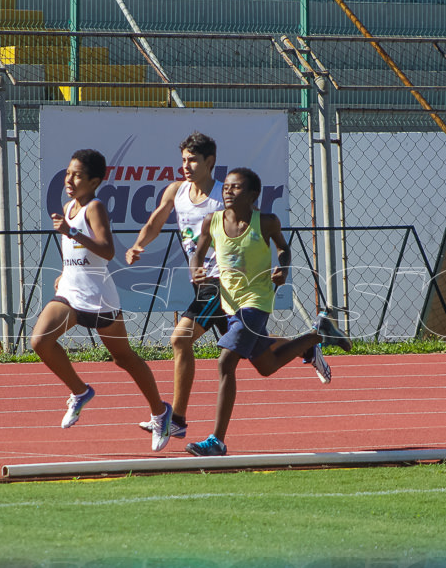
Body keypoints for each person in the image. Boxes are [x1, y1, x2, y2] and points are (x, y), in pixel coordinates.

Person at [126, 133, 331, 442]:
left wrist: (267, 269)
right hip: (205, 284)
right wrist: (138, 245)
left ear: (210, 162)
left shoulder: (224, 199)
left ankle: (177, 419)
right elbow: (156, 220)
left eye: (193, 160)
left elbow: (254, 236)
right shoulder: (176, 191)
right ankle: (307, 344)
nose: (186, 166)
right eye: (183, 160)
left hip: (220, 284)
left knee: (180, 339)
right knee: (262, 359)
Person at [184, 167, 351, 457]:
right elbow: (199, 251)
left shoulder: (266, 222)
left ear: (252, 195)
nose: (228, 191)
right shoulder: (212, 221)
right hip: (230, 304)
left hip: (256, 302)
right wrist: (195, 269)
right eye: (227, 187)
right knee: (266, 366)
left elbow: (283, 249)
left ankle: (217, 441)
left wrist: (283, 268)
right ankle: (316, 336)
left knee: (225, 363)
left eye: (236, 188)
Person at [30, 149, 173, 452]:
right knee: (40, 341)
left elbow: (107, 251)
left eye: (78, 175)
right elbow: (74, 251)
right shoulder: (68, 207)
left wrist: (72, 232)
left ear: (94, 181)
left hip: (98, 297)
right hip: (70, 292)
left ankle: (160, 412)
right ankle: (80, 391)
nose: (69, 179)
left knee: (124, 358)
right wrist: (64, 271)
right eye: (68, 173)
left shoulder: (94, 207)